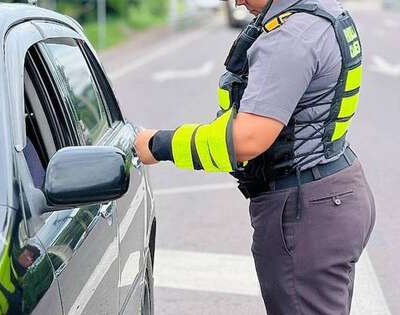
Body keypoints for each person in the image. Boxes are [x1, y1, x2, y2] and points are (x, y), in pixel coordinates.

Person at [134, 0, 376, 313]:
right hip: (336, 186)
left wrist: (157, 144)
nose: (236, 2)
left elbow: (248, 139)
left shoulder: (290, 37)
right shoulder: (324, 12)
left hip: (305, 209)